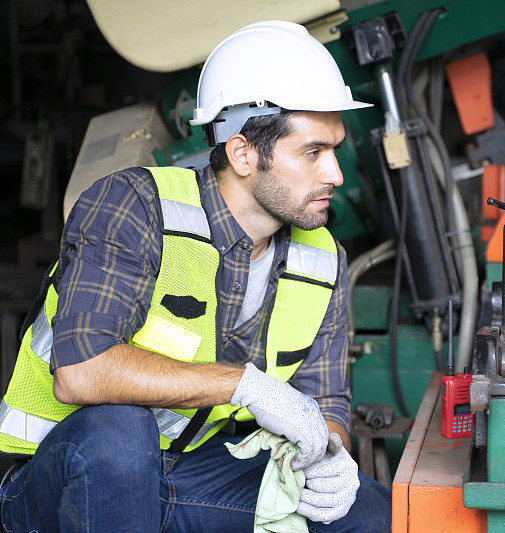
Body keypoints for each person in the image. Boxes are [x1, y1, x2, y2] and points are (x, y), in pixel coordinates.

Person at [0, 20, 390, 532]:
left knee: (371, 513)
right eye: (313, 152)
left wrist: (329, 451)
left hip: (195, 478)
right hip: (70, 482)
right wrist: (245, 388)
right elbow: (80, 372)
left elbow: (325, 398)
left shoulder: (322, 256)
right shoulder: (134, 208)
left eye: (335, 150)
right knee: (119, 432)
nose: (336, 174)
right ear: (243, 153)